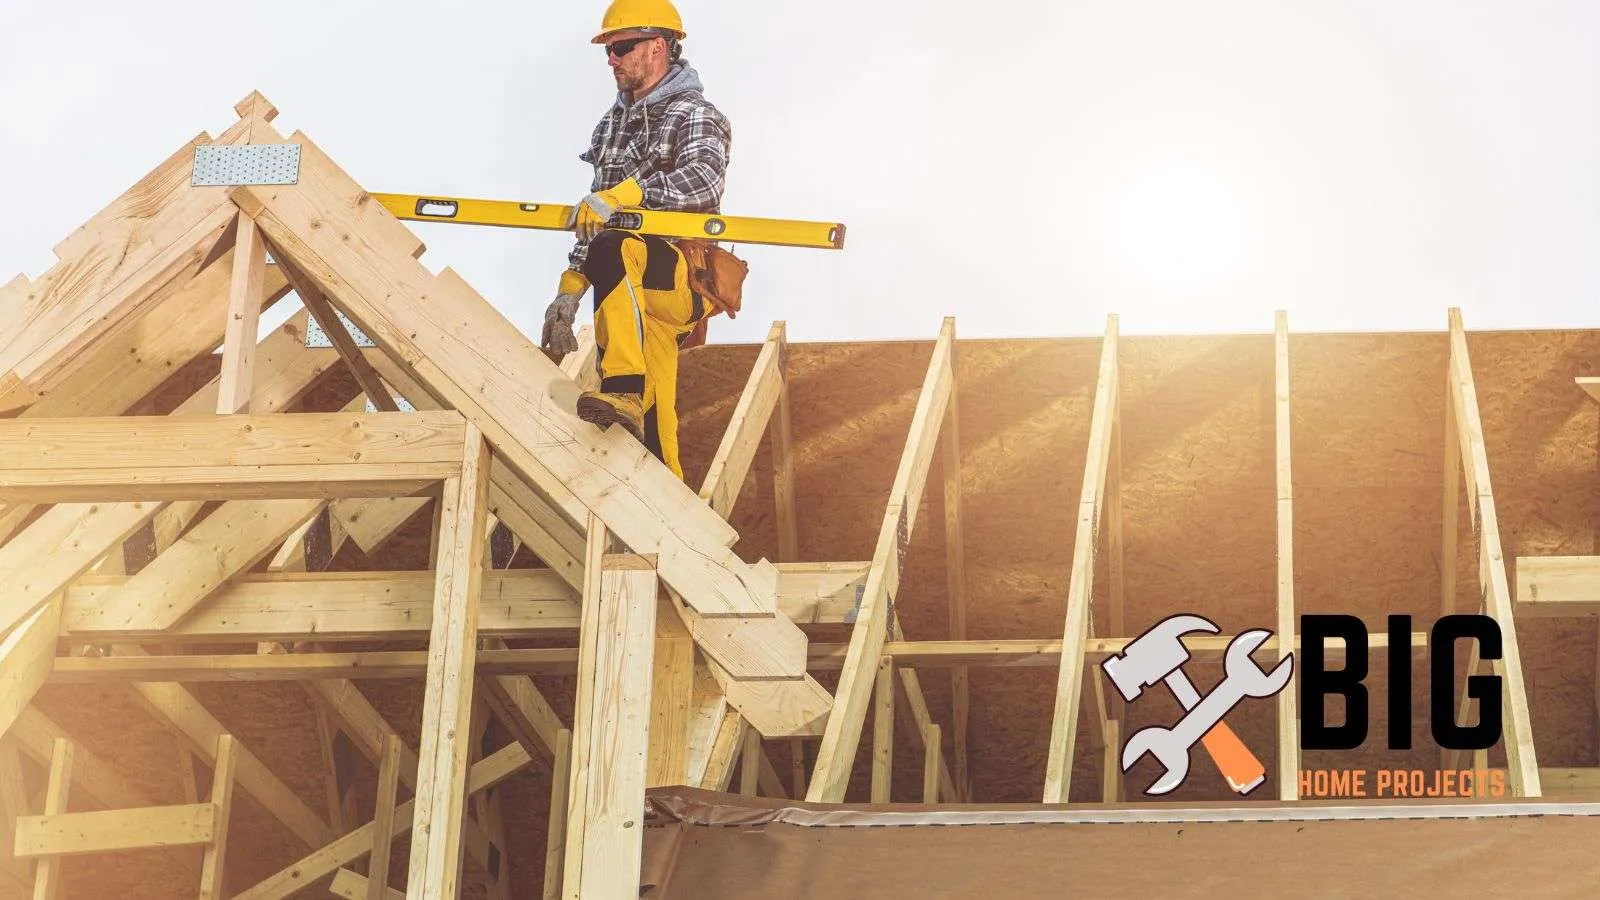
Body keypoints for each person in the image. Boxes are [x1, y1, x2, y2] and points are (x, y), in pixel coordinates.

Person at [540, 0, 732, 481]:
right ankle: (676, 527)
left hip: (681, 279)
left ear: (658, 48)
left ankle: (623, 384)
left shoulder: (695, 114)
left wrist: (628, 194)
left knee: (616, 244)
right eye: (608, 49)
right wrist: (570, 289)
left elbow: (704, 182)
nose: (612, 59)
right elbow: (595, 217)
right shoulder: (611, 126)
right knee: (650, 430)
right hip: (629, 294)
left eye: (622, 47)